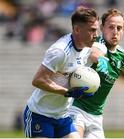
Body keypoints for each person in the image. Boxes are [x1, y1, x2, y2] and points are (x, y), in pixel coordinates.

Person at [23, 6, 107, 138]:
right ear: (77, 29)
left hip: (63, 116)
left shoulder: (86, 48)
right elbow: (38, 80)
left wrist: (102, 61)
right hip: (40, 114)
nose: (96, 35)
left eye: (96, 30)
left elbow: (100, 47)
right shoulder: (60, 52)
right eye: (92, 30)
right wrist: (67, 92)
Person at [68, 8, 124, 139]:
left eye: (119, 28)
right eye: (111, 27)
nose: (115, 32)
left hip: (96, 116)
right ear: (102, 28)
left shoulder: (121, 54)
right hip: (76, 109)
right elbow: (95, 51)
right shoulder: (96, 42)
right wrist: (100, 59)